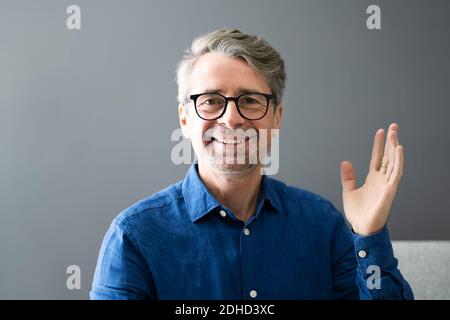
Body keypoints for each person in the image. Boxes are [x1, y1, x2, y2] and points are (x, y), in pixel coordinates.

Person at [90, 28, 413, 300]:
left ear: (276, 117)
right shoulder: (133, 235)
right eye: (212, 101)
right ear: (185, 119)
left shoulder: (322, 224)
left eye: (250, 100)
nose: (231, 118)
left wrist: (368, 235)